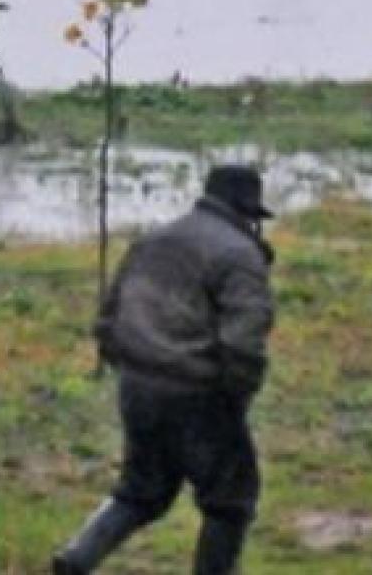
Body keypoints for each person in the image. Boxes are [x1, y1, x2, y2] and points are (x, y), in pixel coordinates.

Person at [53, 165, 277, 575]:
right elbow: (244, 343)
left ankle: (76, 559)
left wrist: (127, 369)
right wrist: (236, 395)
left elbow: (108, 318)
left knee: (140, 492)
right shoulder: (239, 256)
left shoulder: (152, 240)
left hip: (138, 386)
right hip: (198, 394)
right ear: (247, 212)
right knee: (230, 502)